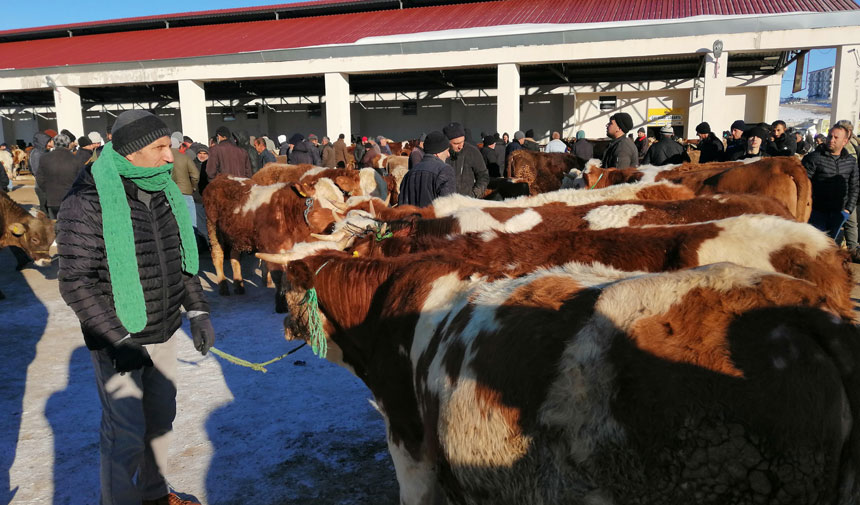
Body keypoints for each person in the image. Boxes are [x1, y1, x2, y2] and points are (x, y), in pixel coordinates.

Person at [56, 110, 214, 505]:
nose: (169, 157)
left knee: (160, 423)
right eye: (160, 148)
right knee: (124, 434)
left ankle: (155, 495)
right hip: (118, 341)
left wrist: (198, 311)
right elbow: (75, 282)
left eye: (169, 147)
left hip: (162, 332)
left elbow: (182, 261)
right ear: (130, 151)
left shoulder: (163, 192)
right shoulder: (87, 201)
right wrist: (118, 340)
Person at [803, 123, 858, 242]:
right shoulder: (813, 158)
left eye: (836, 138)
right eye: (829, 136)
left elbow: (854, 186)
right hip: (817, 212)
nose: (831, 140)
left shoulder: (851, 161)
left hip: (840, 212)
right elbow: (804, 184)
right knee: (816, 245)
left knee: (832, 247)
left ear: (845, 141)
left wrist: (848, 209)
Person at [399, 130, 456, 207]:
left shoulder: (409, 174)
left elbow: (402, 207)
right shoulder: (444, 170)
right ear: (438, 153)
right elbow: (448, 206)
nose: (448, 154)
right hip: (434, 218)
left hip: (411, 218)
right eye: (447, 150)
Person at [36, 133, 82, 219]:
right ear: (68, 144)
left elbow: (39, 179)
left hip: (52, 199)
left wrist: (48, 190)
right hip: (70, 199)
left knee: (55, 226)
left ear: (54, 144)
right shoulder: (75, 159)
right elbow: (80, 180)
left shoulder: (44, 158)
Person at [443, 122, 489, 197]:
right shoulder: (441, 154)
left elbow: (483, 176)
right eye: (456, 143)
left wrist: (474, 194)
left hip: (468, 202)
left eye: (462, 142)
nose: (460, 146)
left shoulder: (472, 152)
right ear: (447, 142)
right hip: (446, 202)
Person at [30, 131, 53, 213]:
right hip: (42, 186)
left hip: (47, 185)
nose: (52, 142)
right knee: (46, 211)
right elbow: (37, 171)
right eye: (50, 141)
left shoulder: (45, 152)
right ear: (44, 142)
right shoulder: (37, 154)